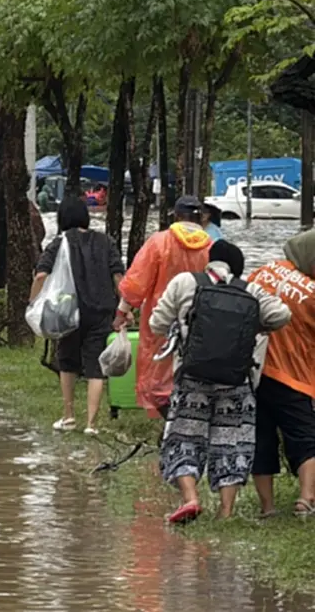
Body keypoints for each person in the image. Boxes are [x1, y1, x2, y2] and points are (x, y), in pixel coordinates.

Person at [149, 240, 290, 523]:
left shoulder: (185, 282)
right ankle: (225, 513)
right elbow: (282, 314)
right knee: (232, 443)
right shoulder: (250, 290)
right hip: (236, 380)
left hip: (192, 377)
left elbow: (156, 323)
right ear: (237, 267)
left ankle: (190, 499)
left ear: (209, 261)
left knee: (184, 436)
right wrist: (254, 326)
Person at [31, 196, 126, 435]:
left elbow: (41, 276)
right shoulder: (106, 242)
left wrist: (33, 303)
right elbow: (118, 278)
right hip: (102, 311)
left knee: (68, 363)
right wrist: (124, 309)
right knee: (96, 367)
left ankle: (69, 416)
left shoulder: (59, 243)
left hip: (68, 312)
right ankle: (92, 425)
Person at [114, 196, 213, 417]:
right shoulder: (211, 246)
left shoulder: (159, 242)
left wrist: (122, 311)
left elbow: (136, 283)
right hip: (199, 320)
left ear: (176, 216)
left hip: (160, 319)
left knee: (157, 373)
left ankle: (165, 420)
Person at [247, 230, 315, 517]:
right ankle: (306, 498)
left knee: (261, 440)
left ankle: (267, 507)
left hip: (254, 372)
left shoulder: (264, 272)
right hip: (293, 376)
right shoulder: (311, 293)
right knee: (305, 438)